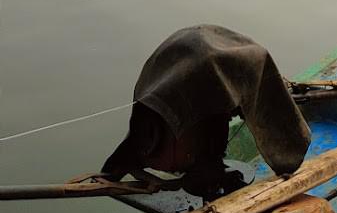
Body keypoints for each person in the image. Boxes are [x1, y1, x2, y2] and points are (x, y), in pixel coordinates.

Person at [100, 25, 311, 197]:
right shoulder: (208, 78)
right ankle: (209, 168)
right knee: (214, 98)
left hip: (182, 81)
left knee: (213, 98)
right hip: (176, 125)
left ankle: (209, 166)